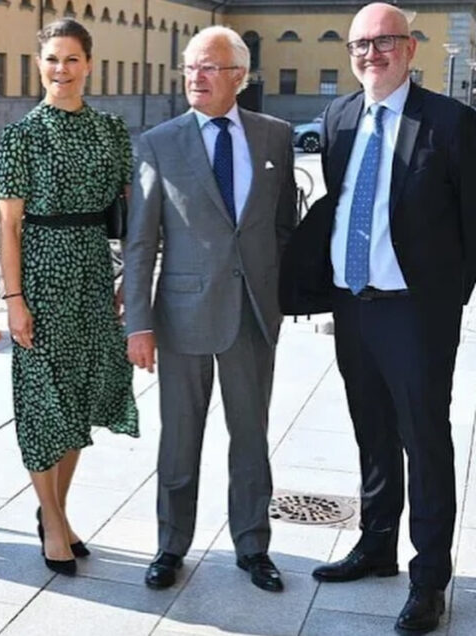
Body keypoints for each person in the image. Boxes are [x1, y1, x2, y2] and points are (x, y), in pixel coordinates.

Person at [279, 3, 476, 633]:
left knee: (425, 439)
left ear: (410, 48)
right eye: (360, 44)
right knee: (371, 431)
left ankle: (429, 579)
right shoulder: (340, 117)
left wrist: (448, 300)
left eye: (385, 41)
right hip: (352, 304)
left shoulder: (450, 122)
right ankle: (376, 543)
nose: (371, 53)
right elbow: (341, 203)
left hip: (415, 312)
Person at [123, 25, 296, 592]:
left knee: (251, 437)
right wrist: (138, 323)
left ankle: (253, 546)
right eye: (190, 66)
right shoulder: (159, 142)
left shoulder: (274, 136)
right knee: (179, 439)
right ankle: (171, 545)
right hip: (182, 316)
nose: (195, 76)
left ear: (238, 77)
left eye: (209, 67)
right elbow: (141, 241)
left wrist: (279, 294)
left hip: (251, 314)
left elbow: (282, 226)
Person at [0, 19, 139, 577]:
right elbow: (9, 225)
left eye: (72, 58)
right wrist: (14, 298)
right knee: (41, 402)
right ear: (39, 65)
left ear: (89, 64)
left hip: (92, 276)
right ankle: (54, 524)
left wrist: (130, 278)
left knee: (78, 400)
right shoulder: (21, 135)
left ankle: (54, 510)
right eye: (52, 59)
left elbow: (130, 212)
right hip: (40, 275)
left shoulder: (111, 131)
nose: (62, 69)